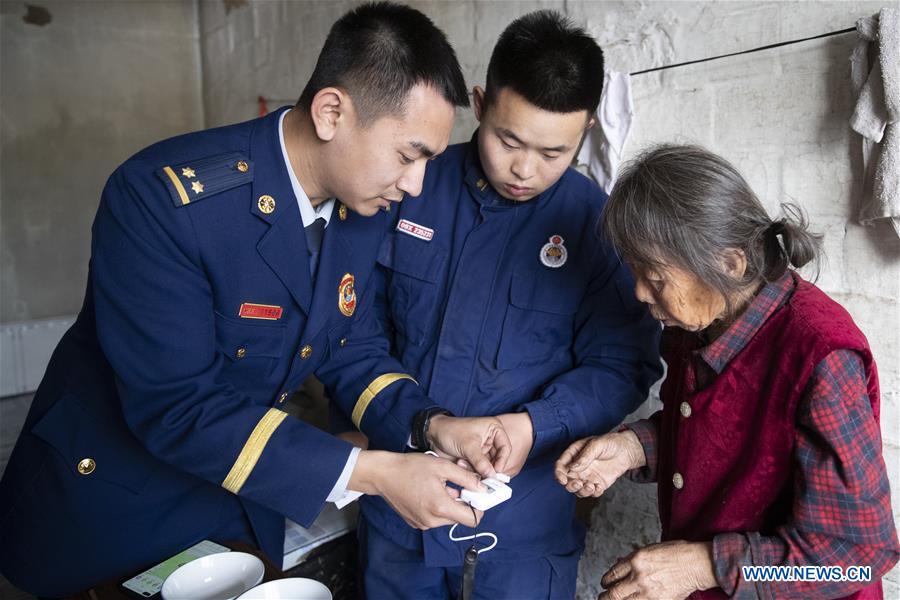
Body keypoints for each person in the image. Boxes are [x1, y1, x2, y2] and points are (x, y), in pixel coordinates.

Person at [0, 3, 512, 596]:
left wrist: (432, 425)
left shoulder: (360, 208)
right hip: (116, 505)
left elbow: (353, 347)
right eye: (408, 155)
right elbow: (178, 405)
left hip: (242, 494)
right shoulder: (165, 202)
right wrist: (372, 473)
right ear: (331, 113)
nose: (416, 184)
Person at [327, 11, 662, 599]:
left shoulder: (595, 224)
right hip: (399, 515)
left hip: (521, 537)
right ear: (480, 104)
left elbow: (623, 364)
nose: (524, 170)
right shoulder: (406, 186)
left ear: (584, 131)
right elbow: (349, 336)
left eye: (554, 152)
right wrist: (420, 422)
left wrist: (535, 425)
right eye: (508, 140)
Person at [555, 145, 900, 599]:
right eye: (635, 272)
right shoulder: (701, 319)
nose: (639, 292)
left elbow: (855, 560)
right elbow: (722, 434)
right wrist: (632, 448)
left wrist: (703, 566)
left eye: (655, 277)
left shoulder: (821, 355)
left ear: (730, 263)